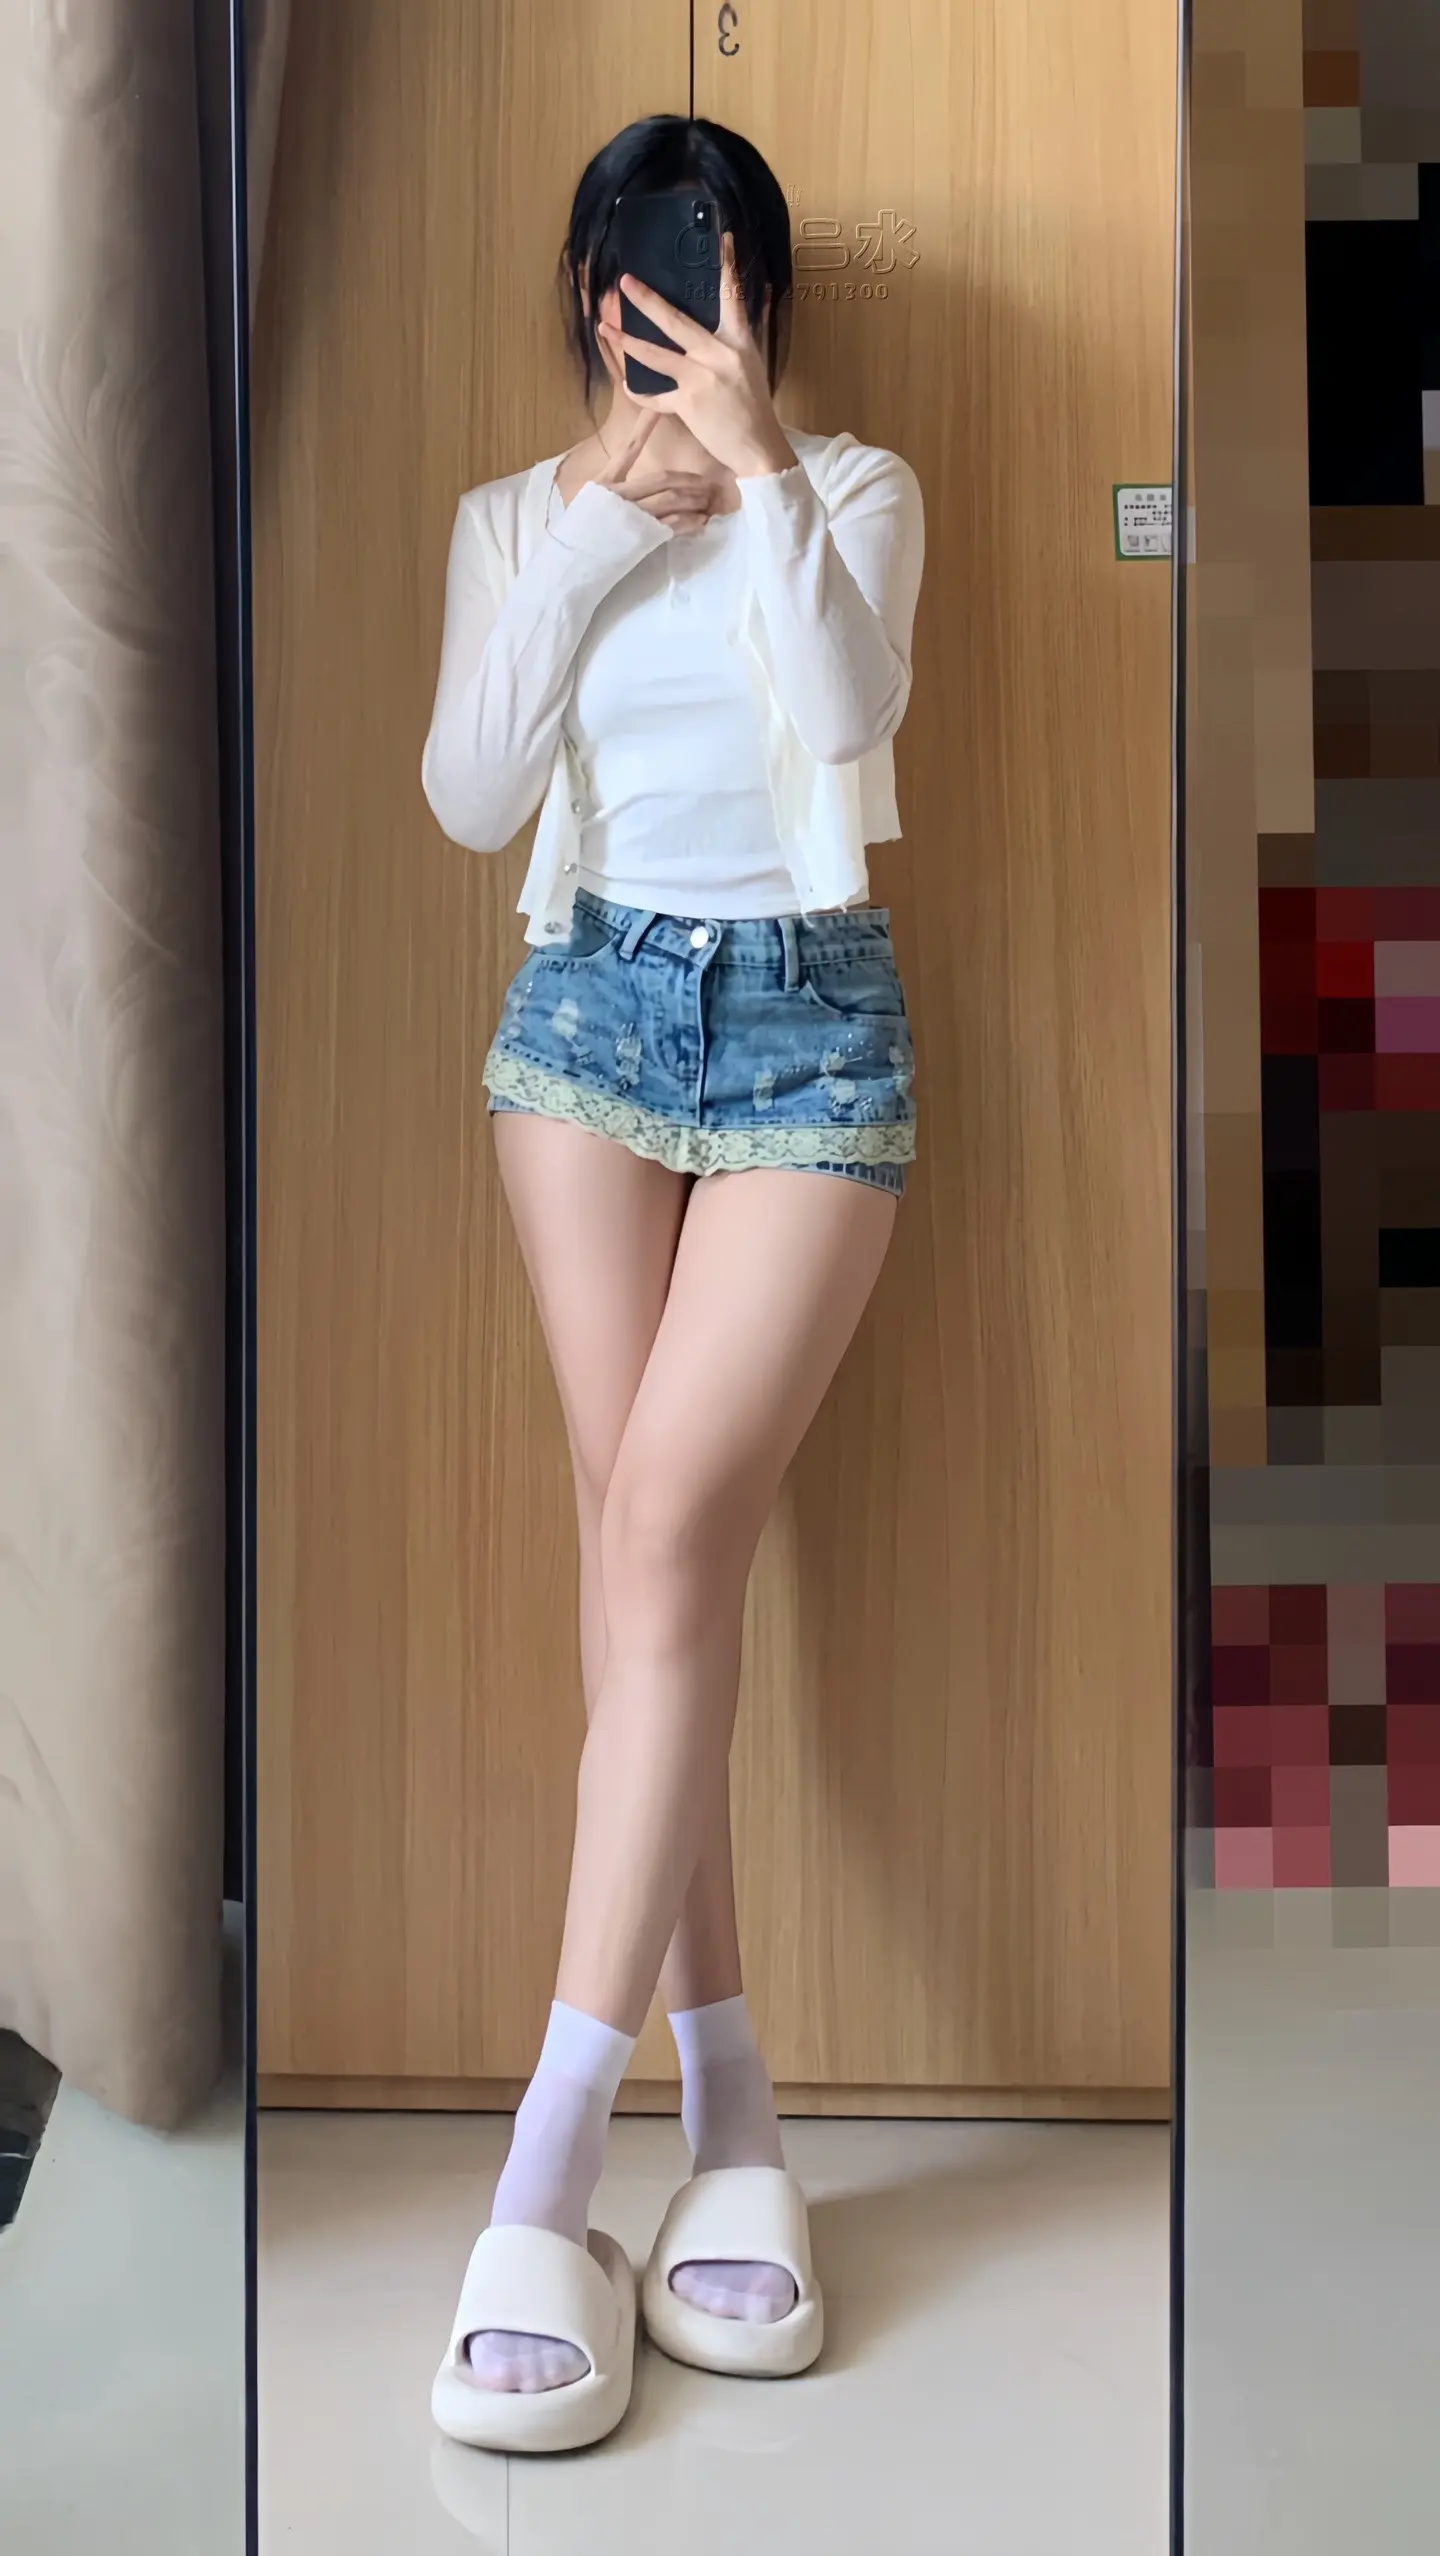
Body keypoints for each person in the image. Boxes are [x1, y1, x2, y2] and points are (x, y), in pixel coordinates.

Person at [422, 114, 924, 2454]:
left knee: (662, 1533)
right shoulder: (510, 523)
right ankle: (733, 2123)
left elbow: (847, 712)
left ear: (764, 304)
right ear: (587, 294)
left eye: (721, 286)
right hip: (589, 1026)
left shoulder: (862, 490)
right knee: (650, 1561)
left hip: (813, 1026)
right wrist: (600, 528)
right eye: (645, 281)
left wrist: (758, 463)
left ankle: (549, 2170)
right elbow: (469, 791)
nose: (680, 321)